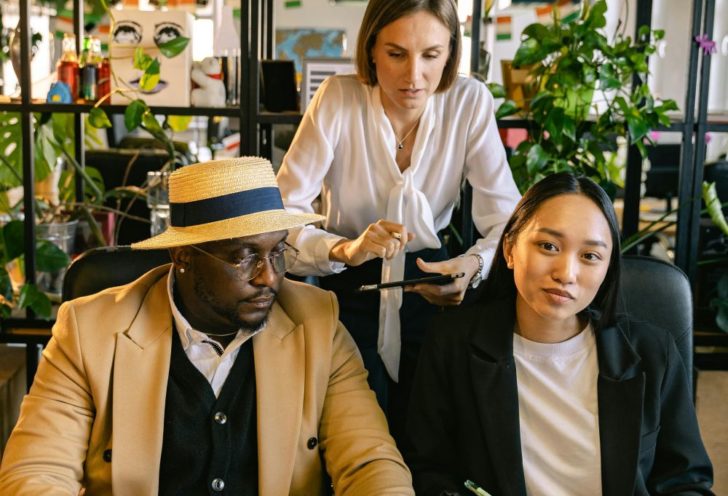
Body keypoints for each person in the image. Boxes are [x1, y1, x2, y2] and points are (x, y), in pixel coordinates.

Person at [0, 157, 415, 496]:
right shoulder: (89, 331)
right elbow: (36, 472)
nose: (269, 277)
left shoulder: (317, 324)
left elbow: (370, 462)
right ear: (183, 256)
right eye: (244, 256)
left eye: (277, 252)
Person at [276, 0, 520, 442]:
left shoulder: (468, 103)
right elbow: (280, 217)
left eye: (431, 55)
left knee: (428, 434)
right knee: (349, 433)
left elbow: (509, 220)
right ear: (371, 49)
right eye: (396, 54)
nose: (414, 76)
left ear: (451, 52)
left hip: (432, 286)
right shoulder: (337, 98)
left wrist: (472, 266)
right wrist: (343, 249)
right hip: (347, 286)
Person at [405, 172, 714, 495]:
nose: (566, 274)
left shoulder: (653, 352)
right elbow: (428, 469)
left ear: (608, 268)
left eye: (590, 256)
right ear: (509, 249)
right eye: (548, 246)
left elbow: (687, 482)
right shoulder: (452, 344)